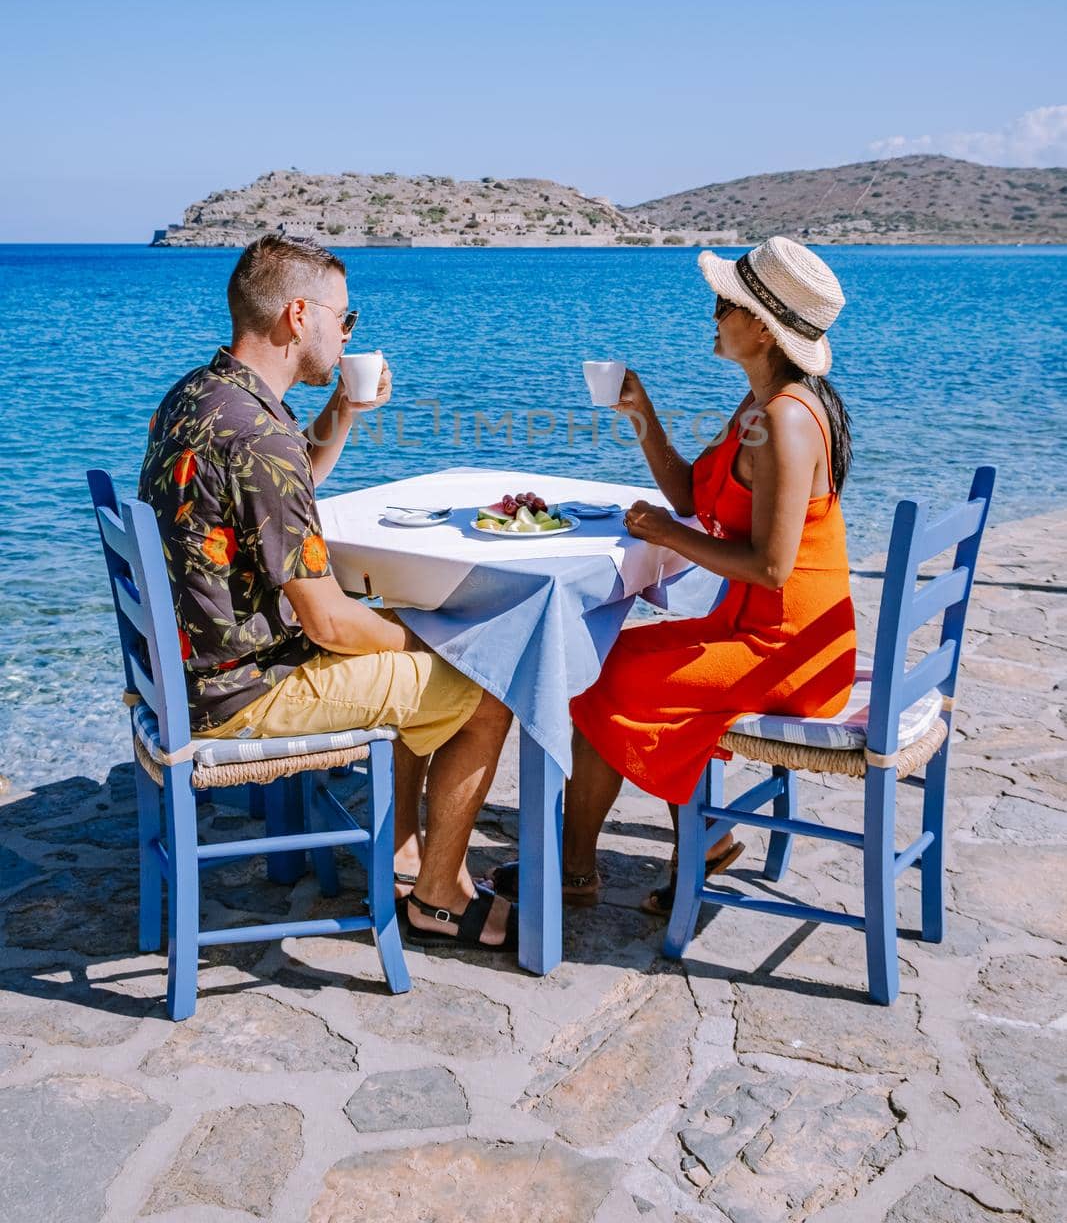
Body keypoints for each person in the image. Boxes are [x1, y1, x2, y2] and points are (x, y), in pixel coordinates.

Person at [139, 233, 516, 950]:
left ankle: (406, 849)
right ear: (298, 315)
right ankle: (436, 895)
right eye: (344, 319)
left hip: (187, 676)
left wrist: (344, 410)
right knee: (488, 689)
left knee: (412, 651)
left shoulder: (200, 394)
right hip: (241, 693)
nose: (348, 334)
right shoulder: (259, 435)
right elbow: (331, 627)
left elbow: (279, 490)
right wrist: (436, 639)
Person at [557, 235, 856, 914]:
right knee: (602, 657)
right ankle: (706, 838)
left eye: (724, 304)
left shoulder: (784, 420)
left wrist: (661, 535)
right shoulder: (760, 405)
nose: (711, 315)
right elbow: (694, 496)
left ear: (759, 327)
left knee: (600, 673)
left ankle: (575, 872)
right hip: (751, 627)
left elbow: (770, 567)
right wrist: (642, 416)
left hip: (788, 651)